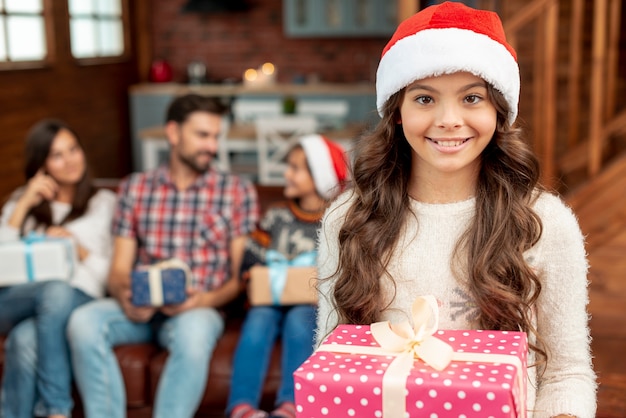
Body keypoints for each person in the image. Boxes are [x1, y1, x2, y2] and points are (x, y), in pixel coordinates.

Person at [314, 2, 597, 418]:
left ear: (498, 112)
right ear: (396, 112)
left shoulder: (545, 222)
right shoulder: (348, 217)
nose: (449, 120)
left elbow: (566, 373)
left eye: (472, 98)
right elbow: (333, 360)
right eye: (425, 98)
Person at [66, 94, 259, 418]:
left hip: (196, 309)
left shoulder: (236, 190)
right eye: (202, 135)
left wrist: (199, 301)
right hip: (141, 310)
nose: (211, 146)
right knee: (82, 323)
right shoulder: (135, 188)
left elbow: (240, 279)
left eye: (215, 136)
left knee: (194, 334)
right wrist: (125, 297)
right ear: (173, 133)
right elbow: (118, 270)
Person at [0, 119, 116, 418]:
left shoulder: (105, 203)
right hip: (24, 298)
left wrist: (79, 249)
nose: (70, 160)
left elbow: (110, 279)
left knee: (25, 338)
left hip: (81, 295)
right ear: (42, 165)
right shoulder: (21, 204)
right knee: (52, 290)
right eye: (57, 155)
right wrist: (25, 203)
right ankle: (56, 410)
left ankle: (49, 411)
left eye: (73, 149)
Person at [226, 135, 349, 418]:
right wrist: (256, 273)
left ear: (319, 175)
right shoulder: (276, 216)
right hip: (267, 299)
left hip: (309, 303)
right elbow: (252, 256)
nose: (287, 173)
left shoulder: (336, 221)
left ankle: (291, 405)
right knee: (258, 320)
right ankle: (241, 405)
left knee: (300, 320)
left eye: (296, 168)